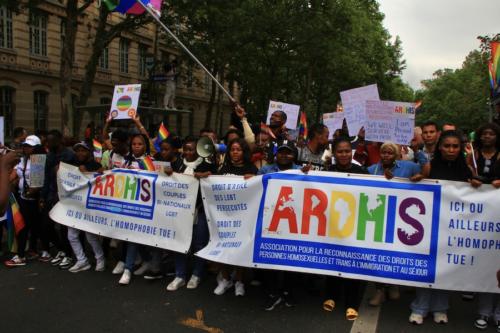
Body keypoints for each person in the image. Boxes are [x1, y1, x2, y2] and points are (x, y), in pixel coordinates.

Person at [409, 130, 482, 325]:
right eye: (447, 146)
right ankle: (420, 307)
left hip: (452, 228)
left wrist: (476, 184)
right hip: (429, 226)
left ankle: (440, 307)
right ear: (440, 147)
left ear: (460, 149)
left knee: (445, 267)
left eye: (455, 146)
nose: (451, 150)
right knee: (426, 265)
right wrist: (418, 179)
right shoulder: (430, 166)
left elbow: (476, 192)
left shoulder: (466, 169)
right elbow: (420, 183)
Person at [367, 141, 424, 306]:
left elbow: (426, 171)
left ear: (397, 154)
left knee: (395, 252)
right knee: (378, 254)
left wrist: (417, 150)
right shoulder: (372, 170)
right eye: (383, 152)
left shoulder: (408, 167)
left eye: (390, 153)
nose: (386, 155)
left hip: (400, 217)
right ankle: (379, 291)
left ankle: (393, 284)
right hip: (378, 216)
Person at [323, 137, 367, 320]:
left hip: (354, 225)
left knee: (353, 263)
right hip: (333, 224)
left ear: (352, 152)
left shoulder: (362, 172)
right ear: (334, 153)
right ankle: (331, 296)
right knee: (333, 259)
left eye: (347, 151)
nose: (343, 154)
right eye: (340, 151)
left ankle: (352, 303)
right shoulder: (328, 171)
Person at [166, 136, 217, 291]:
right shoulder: (177, 164)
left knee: (199, 243)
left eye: (192, 149)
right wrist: (167, 174)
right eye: (186, 149)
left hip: (199, 210)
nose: (188, 152)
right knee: (179, 241)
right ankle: (180, 275)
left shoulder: (208, 166)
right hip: (180, 210)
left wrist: (207, 176)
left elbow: (215, 181)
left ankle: (196, 274)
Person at [258, 140, 301, 311]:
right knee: (271, 257)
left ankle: (289, 291)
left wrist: (307, 175)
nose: (284, 155)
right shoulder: (265, 170)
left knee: (290, 258)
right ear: (276, 154)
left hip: (293, 221)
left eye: (288, 152)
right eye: (281, 152)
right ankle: (273, 293)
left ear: (294, 155)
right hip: (271, 219)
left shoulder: (301, 171)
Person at [215, 138, 258, 296]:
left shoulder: (251, 168)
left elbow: (256, 191)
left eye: (238, 149)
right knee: (222, 248)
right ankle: (225, 279)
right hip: (223, 215)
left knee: (239, 249)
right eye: (232, 149)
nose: (235, 152)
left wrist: (253, 179)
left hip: (242, 216)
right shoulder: (223, 168)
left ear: (244, 152)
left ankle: (239, 282)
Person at [4, 135, 45, 267]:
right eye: (25, 146)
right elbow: (13, 175)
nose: (26, 148)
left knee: (27, 226)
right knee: (26, 225)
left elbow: (37, 186)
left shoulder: (38, 161)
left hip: (33, 199)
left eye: (29, 146)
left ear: (36, 148)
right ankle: (31, 250)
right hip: (22, 198)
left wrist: (29, 192)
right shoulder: (23, 160)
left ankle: (22, 255)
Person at [66, 142, 106, 273]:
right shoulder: (73, 165)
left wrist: (89, 173)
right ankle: (82, 260)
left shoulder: (97, 166)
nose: (80, 153)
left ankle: (100, 259)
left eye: (83, 151)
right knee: (72, 235)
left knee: (90, 236)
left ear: (89, 152)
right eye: (77, 151)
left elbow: (101, 183)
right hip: (76, 204)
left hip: (90, 206)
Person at [39, 130, 77, 267]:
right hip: (51, 195)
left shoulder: (70, 155)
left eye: (51, 141)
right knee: (45, 226)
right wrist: (43, 197)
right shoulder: (49, 156)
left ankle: (68, 254)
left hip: (65, 196)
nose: (48, 143)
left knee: (64, 228)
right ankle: (61, 249)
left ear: (59, 140)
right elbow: (46, 177)